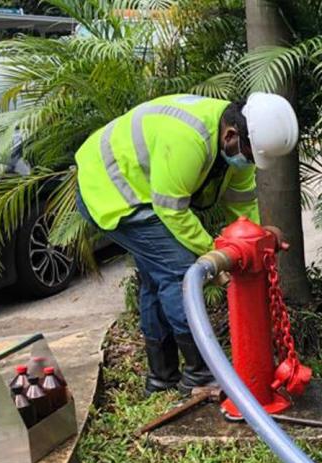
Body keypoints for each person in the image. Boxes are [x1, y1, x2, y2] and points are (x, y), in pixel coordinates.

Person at [74, 92, 298, 395]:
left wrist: (255, 240)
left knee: (156, 280)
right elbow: (172, 210)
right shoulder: (188, 139)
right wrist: (213, 254)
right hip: (111, 189)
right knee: (180, 272)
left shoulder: (232, 141)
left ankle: (161, 377)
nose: (248, 161)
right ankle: (200, 372)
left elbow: (242, 206)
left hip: (144, 191)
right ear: (231, 135)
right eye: (248, 153)